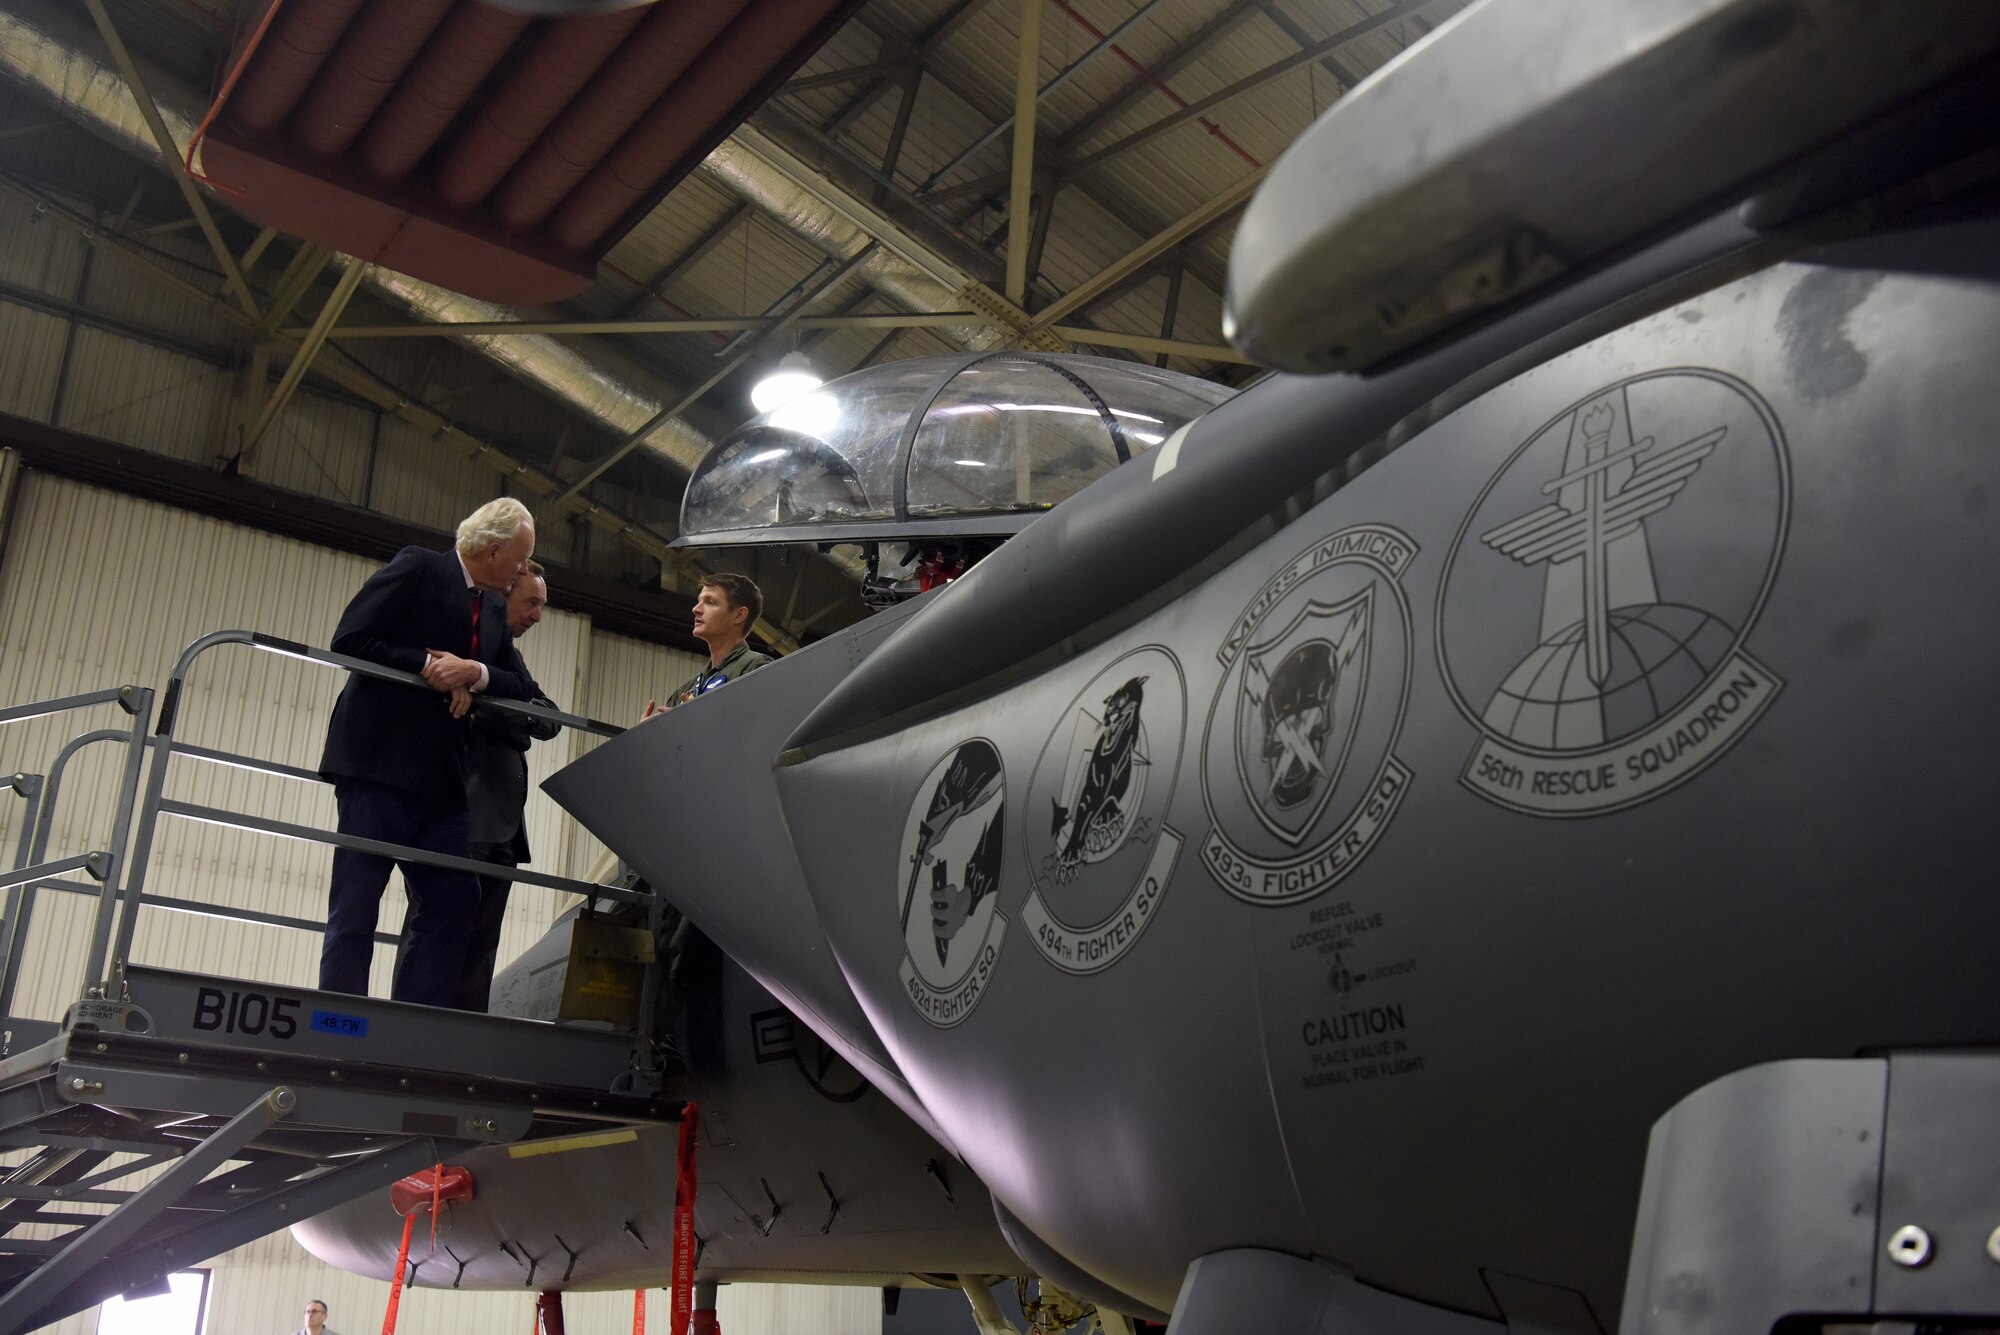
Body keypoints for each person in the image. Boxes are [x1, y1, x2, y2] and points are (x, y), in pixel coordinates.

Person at [318, 497, 542, 1008]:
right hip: (379, 766)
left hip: (442, 780)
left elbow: (523, 687)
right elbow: (350, 638)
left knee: (455, 897)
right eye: (521, 559)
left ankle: (415, 1019)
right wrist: (426, 667)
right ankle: (335, 1018)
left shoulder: (489, 611)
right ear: (490, 551)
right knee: (357, 900)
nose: (523, 570)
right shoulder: (419, 567)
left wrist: (472, 673)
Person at [453, 560, 559, 1012]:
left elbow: (548, 717)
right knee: (444, 934)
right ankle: (425, 1027)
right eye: (531, 602)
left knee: (482, 946)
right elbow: (521, 714)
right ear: (502, 594)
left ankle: (462, 1038)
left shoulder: (507, 654)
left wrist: (497, 709)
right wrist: (516, 716)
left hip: (503, 825)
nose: (537, 615)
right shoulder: (469, 637)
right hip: (468, 813)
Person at [641, 573, 771, 720]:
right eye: (699, 601)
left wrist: (695, 723)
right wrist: (650, 735)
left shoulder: (757, 668)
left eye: (710, 602)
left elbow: (760, 730)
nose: (696, 609)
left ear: (739, 615)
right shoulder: (684, 690)